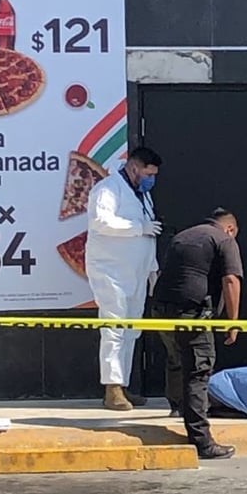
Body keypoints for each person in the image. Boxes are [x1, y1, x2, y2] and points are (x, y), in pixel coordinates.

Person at [151, 209, 243, 459]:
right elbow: (231, 281)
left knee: (176, 361)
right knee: (198, 372)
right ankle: (202, 441)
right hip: (191, 315)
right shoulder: (224, 240)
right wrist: (233, 323)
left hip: (160, 312)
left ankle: (178, 409)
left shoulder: (182, 236)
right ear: (230, 228)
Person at [85, 146, 162, 411]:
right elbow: (100, 222)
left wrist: (152, 268)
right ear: (133, 168)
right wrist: (137, 228)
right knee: (114, 327)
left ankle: (123, 384)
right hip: (111, 272)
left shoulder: (143, 196)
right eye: (148, 173)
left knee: (132, 330)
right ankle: (112, 388)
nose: (151, 179)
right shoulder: (107, 190)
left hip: (137, 272)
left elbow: (149, 236)